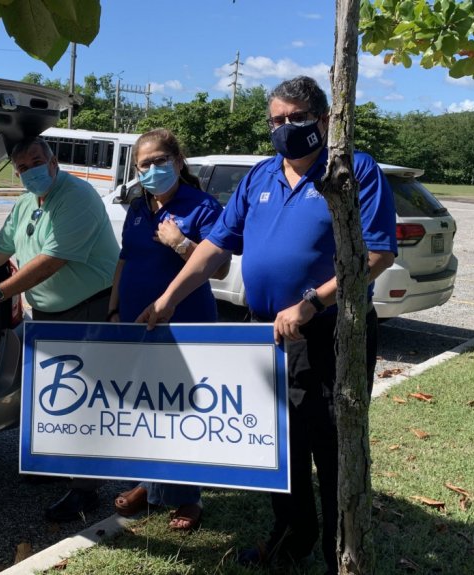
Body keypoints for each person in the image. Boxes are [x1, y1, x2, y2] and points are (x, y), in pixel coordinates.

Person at [138, 76, 396, 574]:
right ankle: (292, 535)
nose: (283, 128)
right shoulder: (259, 177)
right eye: (275, 120)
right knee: (278, 442)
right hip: (264, 335)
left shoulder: (352, 170)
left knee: (331, 447)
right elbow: (215, 245)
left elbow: (378, 253)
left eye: (294, 118)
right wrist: (169, 298)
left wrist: (310, 304)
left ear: (323, 120)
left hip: (329, 334)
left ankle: (340, 556)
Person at [0, 135, 120, 522]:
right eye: (21, 167)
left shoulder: (78, 197)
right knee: (53, 397)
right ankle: (55, 465)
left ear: (52, 160)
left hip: (87, 309)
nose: (29, 171)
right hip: (49, 313)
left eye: (35, 161)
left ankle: (85, 489)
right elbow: (0, 249)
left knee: (85, 401)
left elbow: (52, 260)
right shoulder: (25, 203)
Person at [107, 128, 226, 531]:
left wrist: (180, 243)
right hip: (137, 322)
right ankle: (150, 483)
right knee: (145, 405)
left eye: (160, 161)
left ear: (177, 161)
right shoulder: (138, 207)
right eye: (145, 164)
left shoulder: (203, 205)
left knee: (182, 409)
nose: (153, 170)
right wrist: (114, 309)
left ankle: (188, 497)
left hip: (186, 322)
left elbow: (221, 267)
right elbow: (125, 259)